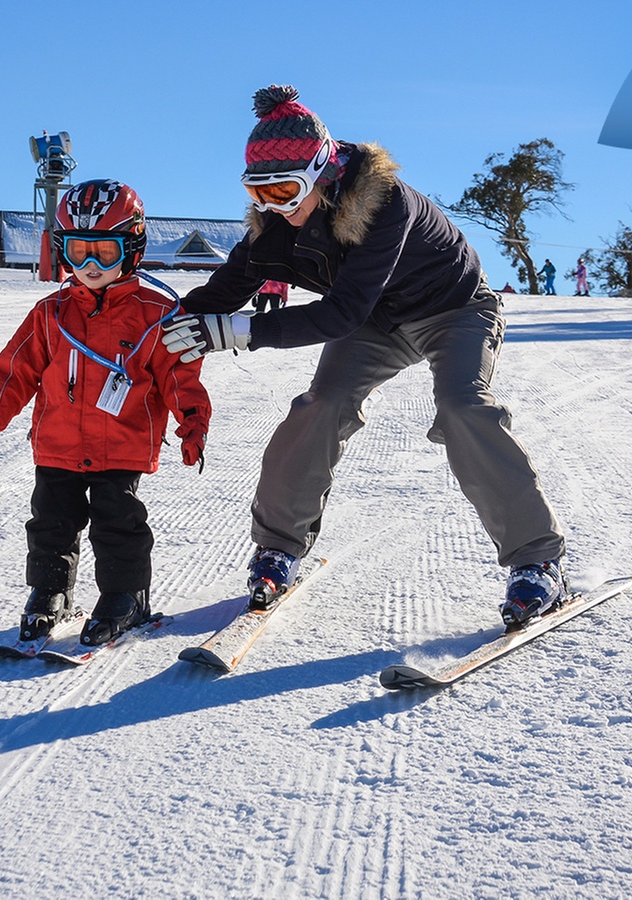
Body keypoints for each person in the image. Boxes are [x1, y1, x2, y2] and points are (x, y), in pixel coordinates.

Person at [162, 85, 569, 629]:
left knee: (462, 407)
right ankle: (278, 549)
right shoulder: (274, 225)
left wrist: (239, 332)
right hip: (379, 321)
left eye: (285, 190)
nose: (273, 207)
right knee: (321, 405)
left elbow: (339, 314)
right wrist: (163, 328)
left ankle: (537, 561)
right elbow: (221, 291)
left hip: (454, 309)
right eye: (258, 192)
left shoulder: (386, 204)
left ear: (322, 174)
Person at [0, 179, 212, 646]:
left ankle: (126, 596)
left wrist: (192, 422)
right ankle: (49, 592)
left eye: (104, 250)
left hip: (122, 445)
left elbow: (181, 377)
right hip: (57, 444)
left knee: (117, 523)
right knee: (50, 523)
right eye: (79, 252)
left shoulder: (156, 313)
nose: (91, 265)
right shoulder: (51, 313)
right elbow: (12, 373)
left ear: (132, 245)